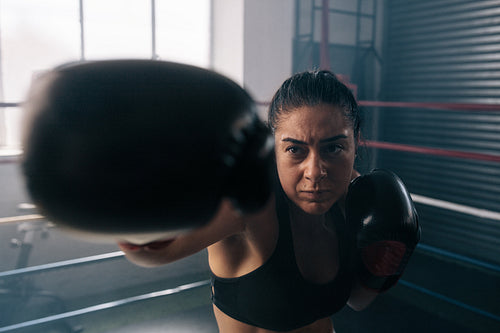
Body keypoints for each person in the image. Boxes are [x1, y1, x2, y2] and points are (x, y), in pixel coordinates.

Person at [118, 69, 420, 333]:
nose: (315, 172)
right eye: (295, 150)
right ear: (272, 148)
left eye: (334, 148)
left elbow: (357, 300)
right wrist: (131, 192)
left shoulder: (352, 199)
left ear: (355, 143)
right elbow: (151, 253)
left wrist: (380, 267)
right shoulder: (251, 207)